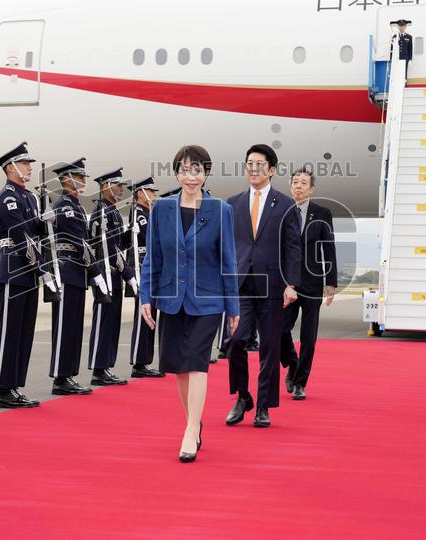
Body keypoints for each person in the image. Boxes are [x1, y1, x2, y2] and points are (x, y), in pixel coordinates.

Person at [140, 145, 239, 462]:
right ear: (176, 173)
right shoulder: (161, 209)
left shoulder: (220, 210)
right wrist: (146, 297)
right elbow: (153, 257)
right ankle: (192, 423)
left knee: (196, 364)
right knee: (179, 369)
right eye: (184, 170)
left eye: (197, 170)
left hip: (208, 301)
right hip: (171, 298)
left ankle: (190, 428)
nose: (191, 177)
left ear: (206, 173)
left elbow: (228, 261)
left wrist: (234, 307)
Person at [225, 144, 301, 428]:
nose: (253, 169)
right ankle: (243, 396)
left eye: (259, 164)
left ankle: (264, 406)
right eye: (249, 164)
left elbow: (293, 247)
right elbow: (226, 245)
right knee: (235, 341)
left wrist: (291, 283)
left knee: (269, 348)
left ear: (271, 170)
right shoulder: (233, 203)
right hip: (242, 283)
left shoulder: (286, 205)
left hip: (273, 285)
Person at [0, 142, 42, 409]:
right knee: (11, 332)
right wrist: (42, 266)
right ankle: (3, 388)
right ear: (10, 168)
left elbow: (36, 230)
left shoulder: (30, 197)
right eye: (24, 164)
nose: (29, 168)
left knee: (24, 332)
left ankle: (15, 386)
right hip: (14, 269)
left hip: (28, 272)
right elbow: (20, 234)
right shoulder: (8, 196)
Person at [279, 167, 337, 401]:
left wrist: (331, 282)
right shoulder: (281, 210)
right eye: (295, 182)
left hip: (312, 283)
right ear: (290, 186)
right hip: (288, 284)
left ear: (311, 189)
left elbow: (329, 248)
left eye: (304, 183)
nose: (299, 186)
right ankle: (292, 363)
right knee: (279, 329)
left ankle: (300, 383)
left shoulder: (322, 213)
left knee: (308, 338)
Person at [47, 158, 94, 395]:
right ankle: (60, 376)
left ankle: (69, 375)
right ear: (67, 179)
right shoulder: (64, 206)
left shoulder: (77, 207)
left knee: (74, 327)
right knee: (65, 326)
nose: (83, 181)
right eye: (79, 177)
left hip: (77, 271)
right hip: (67, 270)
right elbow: (76, 239)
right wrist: (95, 268)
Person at [87, 168, 136, 386]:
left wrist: (129, 234)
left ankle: (106, 366)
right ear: (105, 186)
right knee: (103, 322)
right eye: (118, 185)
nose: (121, 189)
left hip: (114, 274)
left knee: (112, 323)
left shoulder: (114, 212)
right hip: (104, 274)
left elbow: (118, 245)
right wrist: (128, 273)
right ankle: (98, 369)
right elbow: (104, 247)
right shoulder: (101, 212)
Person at [127, 177, 163, 378]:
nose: (154, 195)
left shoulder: (148, 213)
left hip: (151, 264)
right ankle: (138, 362)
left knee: (151, 313)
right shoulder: (138, 213)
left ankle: (144, 361)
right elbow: (148, 236)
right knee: (144, 312)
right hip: (142, 264)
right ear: (140, 193)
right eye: (150, 191)